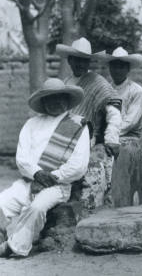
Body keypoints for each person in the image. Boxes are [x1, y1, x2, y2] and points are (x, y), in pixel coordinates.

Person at [0, 78, 90, 257]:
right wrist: (37, 173)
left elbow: (78, 166)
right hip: (29, 181)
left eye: (59, 97)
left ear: (66, 99)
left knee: (37, 208)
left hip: (57, 185)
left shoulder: (78, 126)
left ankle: (14, 247)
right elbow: (22, 158)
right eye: (49, 98)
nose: (55, 102)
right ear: (43, 102)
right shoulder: (32, 124)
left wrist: (53, 176)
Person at [56, 37, 122, 209]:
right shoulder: (65, 83)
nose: (80, 64)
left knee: (86, 189)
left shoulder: (97, 81)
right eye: (76, 59)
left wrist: (111, 138)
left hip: (87, 139)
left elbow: (114, 110)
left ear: (89, 62)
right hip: (64, 139)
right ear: (70, 60)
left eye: (84, 60)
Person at [103, 47, 142, 143]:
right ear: (110, 68)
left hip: (128, 139)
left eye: (121, 67)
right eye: (114, 66)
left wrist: (109, 134)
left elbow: (130, 123)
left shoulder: (137, 91)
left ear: (128, 69)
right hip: (107, 135)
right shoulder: (106, 89)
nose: (117, 70)